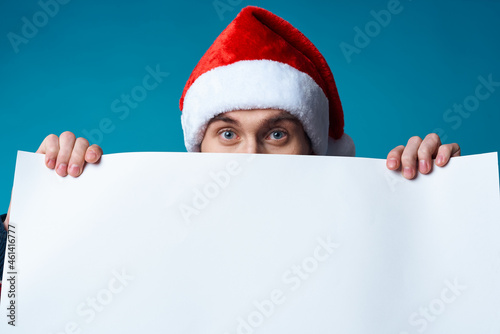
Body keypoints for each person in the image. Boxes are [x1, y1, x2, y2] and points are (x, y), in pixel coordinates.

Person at [0, 6, 460, 293]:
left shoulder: (369, 247)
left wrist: (447, 212)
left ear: (315, 151)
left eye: (277, 134)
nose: (251, 157)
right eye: (227, 133)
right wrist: (32, 224)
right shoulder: (141, 246)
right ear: (197, 149)